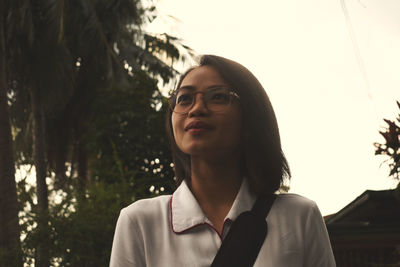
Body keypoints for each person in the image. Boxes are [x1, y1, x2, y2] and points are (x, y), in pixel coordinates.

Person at [109, 55, 336, 267]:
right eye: (184, 99)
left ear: (250, 116)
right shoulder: (140, 222)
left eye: (218, 96)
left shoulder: (299, 216)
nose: (196, 109)